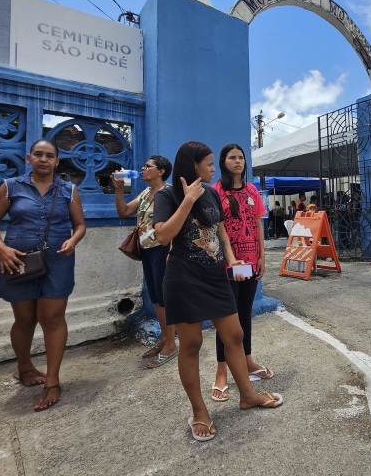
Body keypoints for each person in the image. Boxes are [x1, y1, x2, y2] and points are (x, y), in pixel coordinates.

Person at [153, 141, 282, 442]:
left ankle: (247, 395)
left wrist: (231, 258)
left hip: (215, 276)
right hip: (184, 278)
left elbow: (219, 231)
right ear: (192, 164)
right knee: (192, 343)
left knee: (234, 334)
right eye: (209, 163)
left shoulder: (211, 193)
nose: (213, 167)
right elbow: (162, 236)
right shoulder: (167, 195)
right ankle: (199, 411)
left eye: (214, 162)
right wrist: (187, 201)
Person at [0, 139, 86, 411]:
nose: (43, 159)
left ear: (56, 161)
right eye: (38, 154)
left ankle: (52, 381)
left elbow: (80, 225)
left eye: (49, 156)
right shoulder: (10, 187)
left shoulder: (69, 190)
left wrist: (74, 240)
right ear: (28, 158)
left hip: (58, 260)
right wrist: (0, 248)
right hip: (17, 260)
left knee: (52, 318)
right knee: (25, 319)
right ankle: (24, 366)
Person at [210, 144, 273, 401]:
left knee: (245, 312)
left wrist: (262, 257)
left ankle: (247, 360)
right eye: (232, 158)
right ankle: (221, 372)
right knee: (226, 317)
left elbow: (258, 222)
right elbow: (217, 226)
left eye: (241, 158)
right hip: (227, 262)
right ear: (223, 161)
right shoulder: (215, 191)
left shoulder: (251, 190)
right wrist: (231, 259)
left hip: (250, 260)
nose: (237, 162)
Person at [111, 155, 175, 368]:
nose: (143, 169)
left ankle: (170, 345)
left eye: (148, 166)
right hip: (147, 251)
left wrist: (172, 251)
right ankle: (164, 339)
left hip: (163, 250)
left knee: (165, 298)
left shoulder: (170, 192)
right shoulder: (146, 193)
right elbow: (124, 211)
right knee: (156, 298)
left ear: (161, 171)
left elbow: (180, 222)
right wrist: (119, 190)